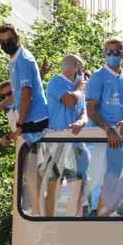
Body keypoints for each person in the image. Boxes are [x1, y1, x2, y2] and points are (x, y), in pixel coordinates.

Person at [0, 23, 48, 215]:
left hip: (34, 122)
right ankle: (38, 211)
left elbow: (26, 95)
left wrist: (19, 125)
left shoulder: (23, 60)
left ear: (17, 38)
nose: (5, 44)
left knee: (32, 174)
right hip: (29, 121)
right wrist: (0, 107)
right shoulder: (15, 60)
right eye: (1, 41)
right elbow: (18, 94)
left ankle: (39, 214)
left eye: (8, 40)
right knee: (30, 174)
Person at [86, 37, 123, 213]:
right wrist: (108, 130)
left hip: (119, 138)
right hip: (101, 138)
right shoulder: (97, 77)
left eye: (116, 52)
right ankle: (101, 213)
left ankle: (108, 209)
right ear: (104, 53)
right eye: (109, 52)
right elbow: (91, 110)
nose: (112, 55)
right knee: (106, 180)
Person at [42, 54, 90, 216]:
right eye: (82, 68)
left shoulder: (79, 88)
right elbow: (70, 101)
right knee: (54, 184)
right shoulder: (56, 82)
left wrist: (80, 123)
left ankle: (73, 221)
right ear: (75, 66)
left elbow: (84, 113)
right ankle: (48, 223)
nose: (84, 73)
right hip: (58, 141)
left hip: (76, 144)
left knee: (77, 185)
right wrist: (78, 88)